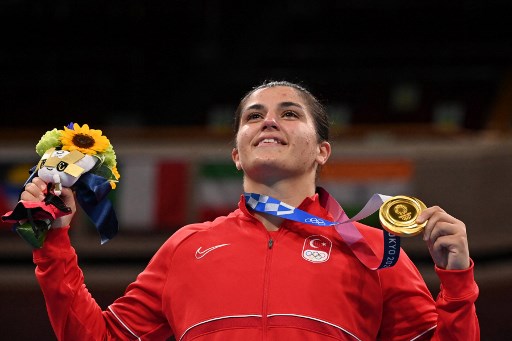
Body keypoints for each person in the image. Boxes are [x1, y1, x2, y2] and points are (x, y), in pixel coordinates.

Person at [22, 81, 479, 340]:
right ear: (237, 154)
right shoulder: (187, 246)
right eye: (254, 115)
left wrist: (457, 285)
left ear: (322, 151)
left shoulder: (376, 248)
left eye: (290, 113)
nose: (269, 121)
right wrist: (54, 245)